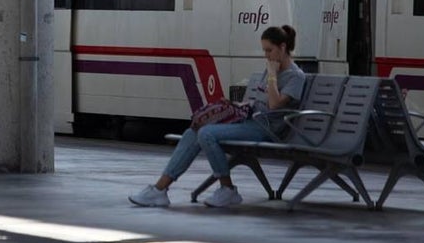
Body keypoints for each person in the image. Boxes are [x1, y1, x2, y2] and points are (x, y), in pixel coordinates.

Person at [129, 25, 306, 208]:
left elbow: (275, 104)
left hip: (267, 130)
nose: (267, 55)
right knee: (194, 132)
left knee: (207, 134)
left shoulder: (295, 76)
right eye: (264, 51)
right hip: (249, 120)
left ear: (283, 47)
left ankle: (227, 189)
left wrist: (271, 75)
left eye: (270, 50)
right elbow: (258, 101)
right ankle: (159, 190)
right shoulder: (271, 69)